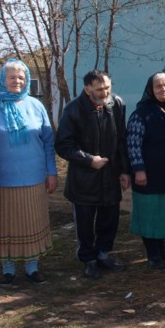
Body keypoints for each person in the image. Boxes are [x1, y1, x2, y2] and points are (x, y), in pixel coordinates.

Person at [0, 60, 57, 285]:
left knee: (31, 221)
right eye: (12, 77)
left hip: (33, 177)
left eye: (21, 77)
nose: (17, 81)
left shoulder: (36, 105)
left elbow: (48, 142)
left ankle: (32, 268)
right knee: (5, 223)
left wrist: (52, 172)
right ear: (3, 79)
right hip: (0, 179)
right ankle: (8, 269)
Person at [55, 70, 130, 279]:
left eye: (107, 87)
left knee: (109, 219)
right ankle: (88, 259)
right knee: (86, 223)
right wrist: (88, 160)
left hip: (111, 174)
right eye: (99, 89)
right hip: (84, 179)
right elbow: (63, 145)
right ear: (87, 89)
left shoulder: (116, 104)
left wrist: (125, 170)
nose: (105, 92)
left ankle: (103, 253)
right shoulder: (73, 110)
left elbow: (121, 140)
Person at [126, 73, 165, 269]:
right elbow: (133, 144)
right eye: (159, 86)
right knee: (151, 213)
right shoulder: (141, 114)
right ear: (151, 89)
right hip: (148, 175)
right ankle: (153, 256)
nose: (164, 90)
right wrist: (139, 170)